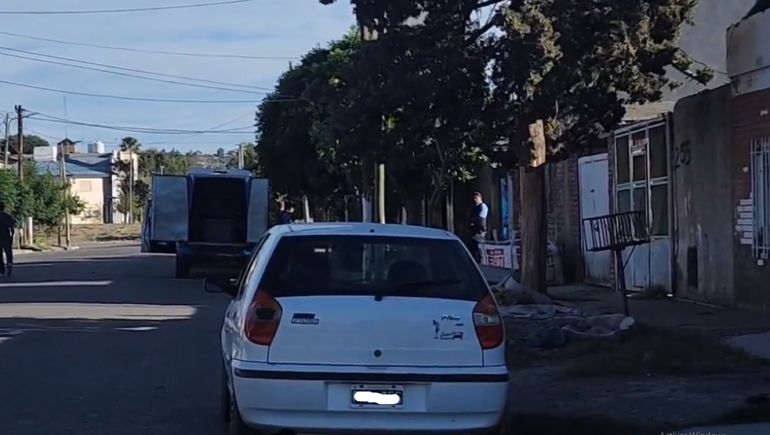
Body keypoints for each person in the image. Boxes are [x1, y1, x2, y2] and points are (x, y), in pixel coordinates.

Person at [467, 192, 489, 262]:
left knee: (480, 247)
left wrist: (482, 230)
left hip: (480, 230)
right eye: (474, 198)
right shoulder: (474, 208)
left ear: (480, 198)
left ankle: (481, 261)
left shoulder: (483, 206)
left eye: (477, 198)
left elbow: (481, 219)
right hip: (473, 230)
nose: (475, 200)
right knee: (473, 246)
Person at [0, 201, 16, 277]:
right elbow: (12, 227)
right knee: (8, 252)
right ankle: (9, 263)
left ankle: (2, 270)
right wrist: (12, 235)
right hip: (6, 237)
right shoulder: (7, 216)